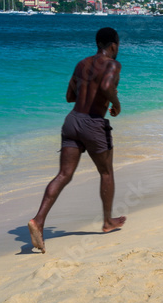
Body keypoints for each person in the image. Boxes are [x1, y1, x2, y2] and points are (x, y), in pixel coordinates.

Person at [28, 27, 126, 253]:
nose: (118, 48)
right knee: (106, 172)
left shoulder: (81, 64)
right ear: (113, 45)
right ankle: (107, 221)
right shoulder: (112, 64)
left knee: (63, 174)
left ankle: (38, 220)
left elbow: (69, 96)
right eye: (117, 45)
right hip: (93, 123)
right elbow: (106, 86)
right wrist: (116, 104)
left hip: (72, 121)